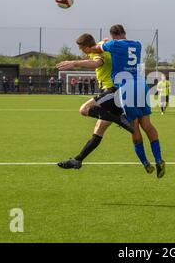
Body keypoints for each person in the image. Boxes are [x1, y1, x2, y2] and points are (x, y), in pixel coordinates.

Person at [56, 34, 150, 173]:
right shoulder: (100, 47)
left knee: (84, 109)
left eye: (82, 49)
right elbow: (105, 41)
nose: (82, 52)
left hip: (113, 91)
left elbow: (97, 63)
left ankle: (120, 119)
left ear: (88, 47)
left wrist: (74, 63)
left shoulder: (96, 53)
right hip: (119, 92)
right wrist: (104, 40)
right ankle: (78, 160)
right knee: (98, 131)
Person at [86, 25, 166, 178]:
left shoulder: (113, 44)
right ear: (124, 33)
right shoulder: (137, 44)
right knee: (147, 125)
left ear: (113, 35)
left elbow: (94, 49)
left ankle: (145, 163)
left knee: (134, 126)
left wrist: (102, 42)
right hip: (141, 84)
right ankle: (159, 159)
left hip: (126, 86)